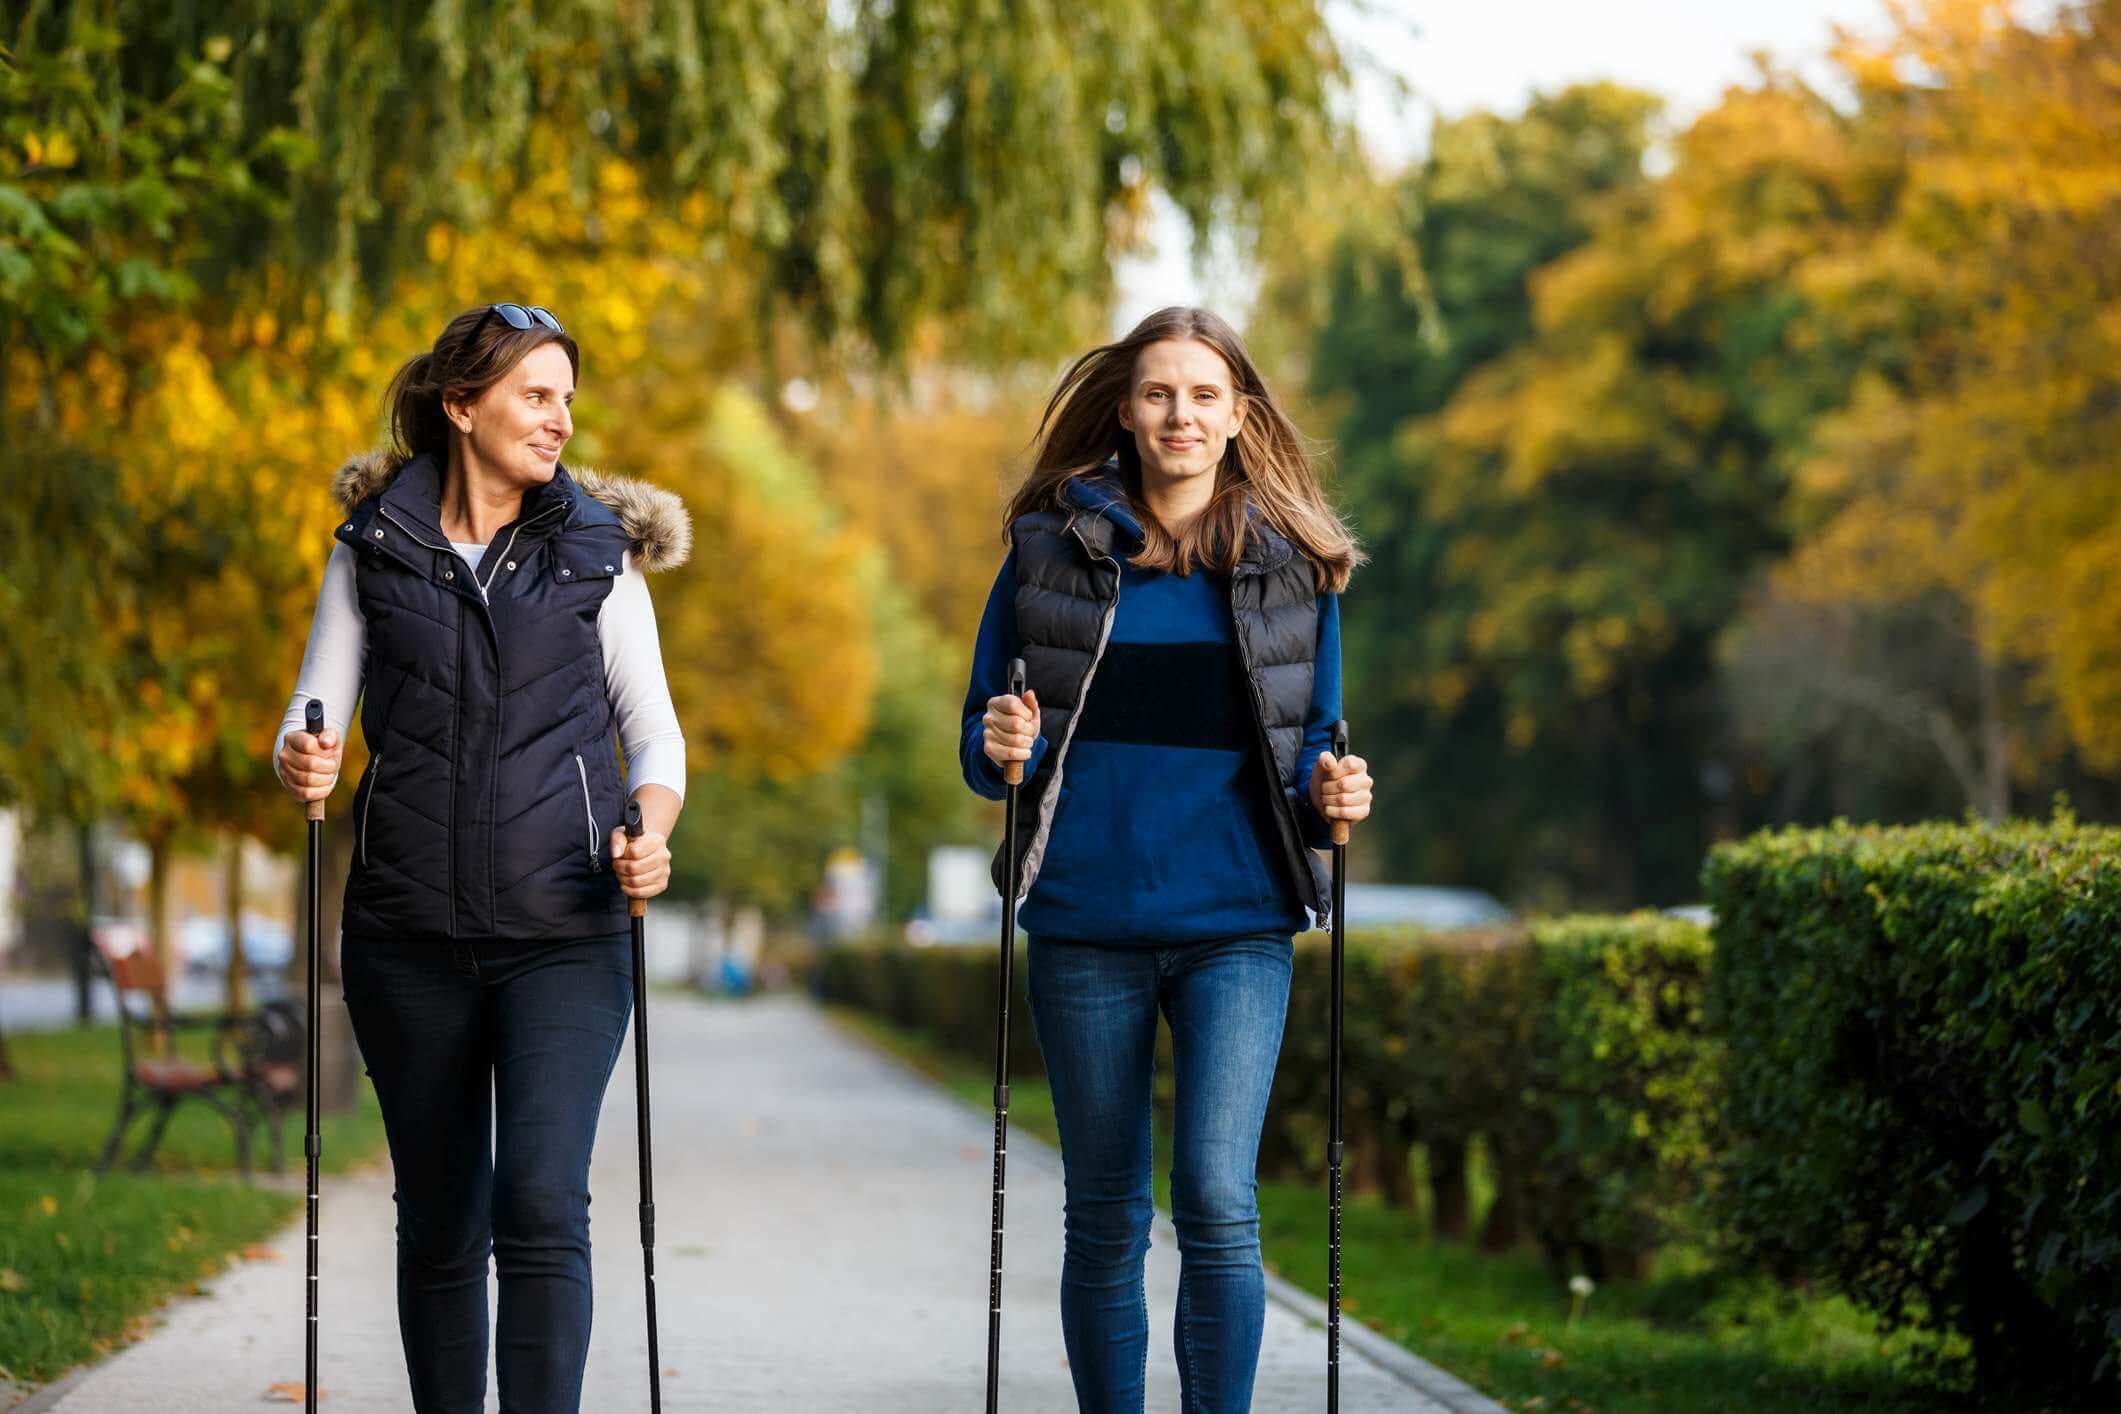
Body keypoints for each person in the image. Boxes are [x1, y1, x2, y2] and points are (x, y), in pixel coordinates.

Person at [271, 302, 690, 1413]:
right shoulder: (374, 547)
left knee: (542, 1203)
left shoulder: (597, 550)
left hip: (565, 934)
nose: (561, 420)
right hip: (406, 938)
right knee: (444, 1216)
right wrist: (303, 759)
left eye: (566, 397)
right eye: (535, 395)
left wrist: (649, 829)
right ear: (462, 406)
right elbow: (312, 708)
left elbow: (652, 732)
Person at [960, 305, 1373, 1412]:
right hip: (1085, 919)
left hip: (1237, 921)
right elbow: (983, 741)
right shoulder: (1050, 550)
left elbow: (1316, 747)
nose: (1179, 414)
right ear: (1127, 410)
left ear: (1239, 415)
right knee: (1102, 1208)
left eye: (1202, 394)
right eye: (1158, 392)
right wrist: (1009, 744)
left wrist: (1337, 793)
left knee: (1216, 1201)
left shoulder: (1295, 571)